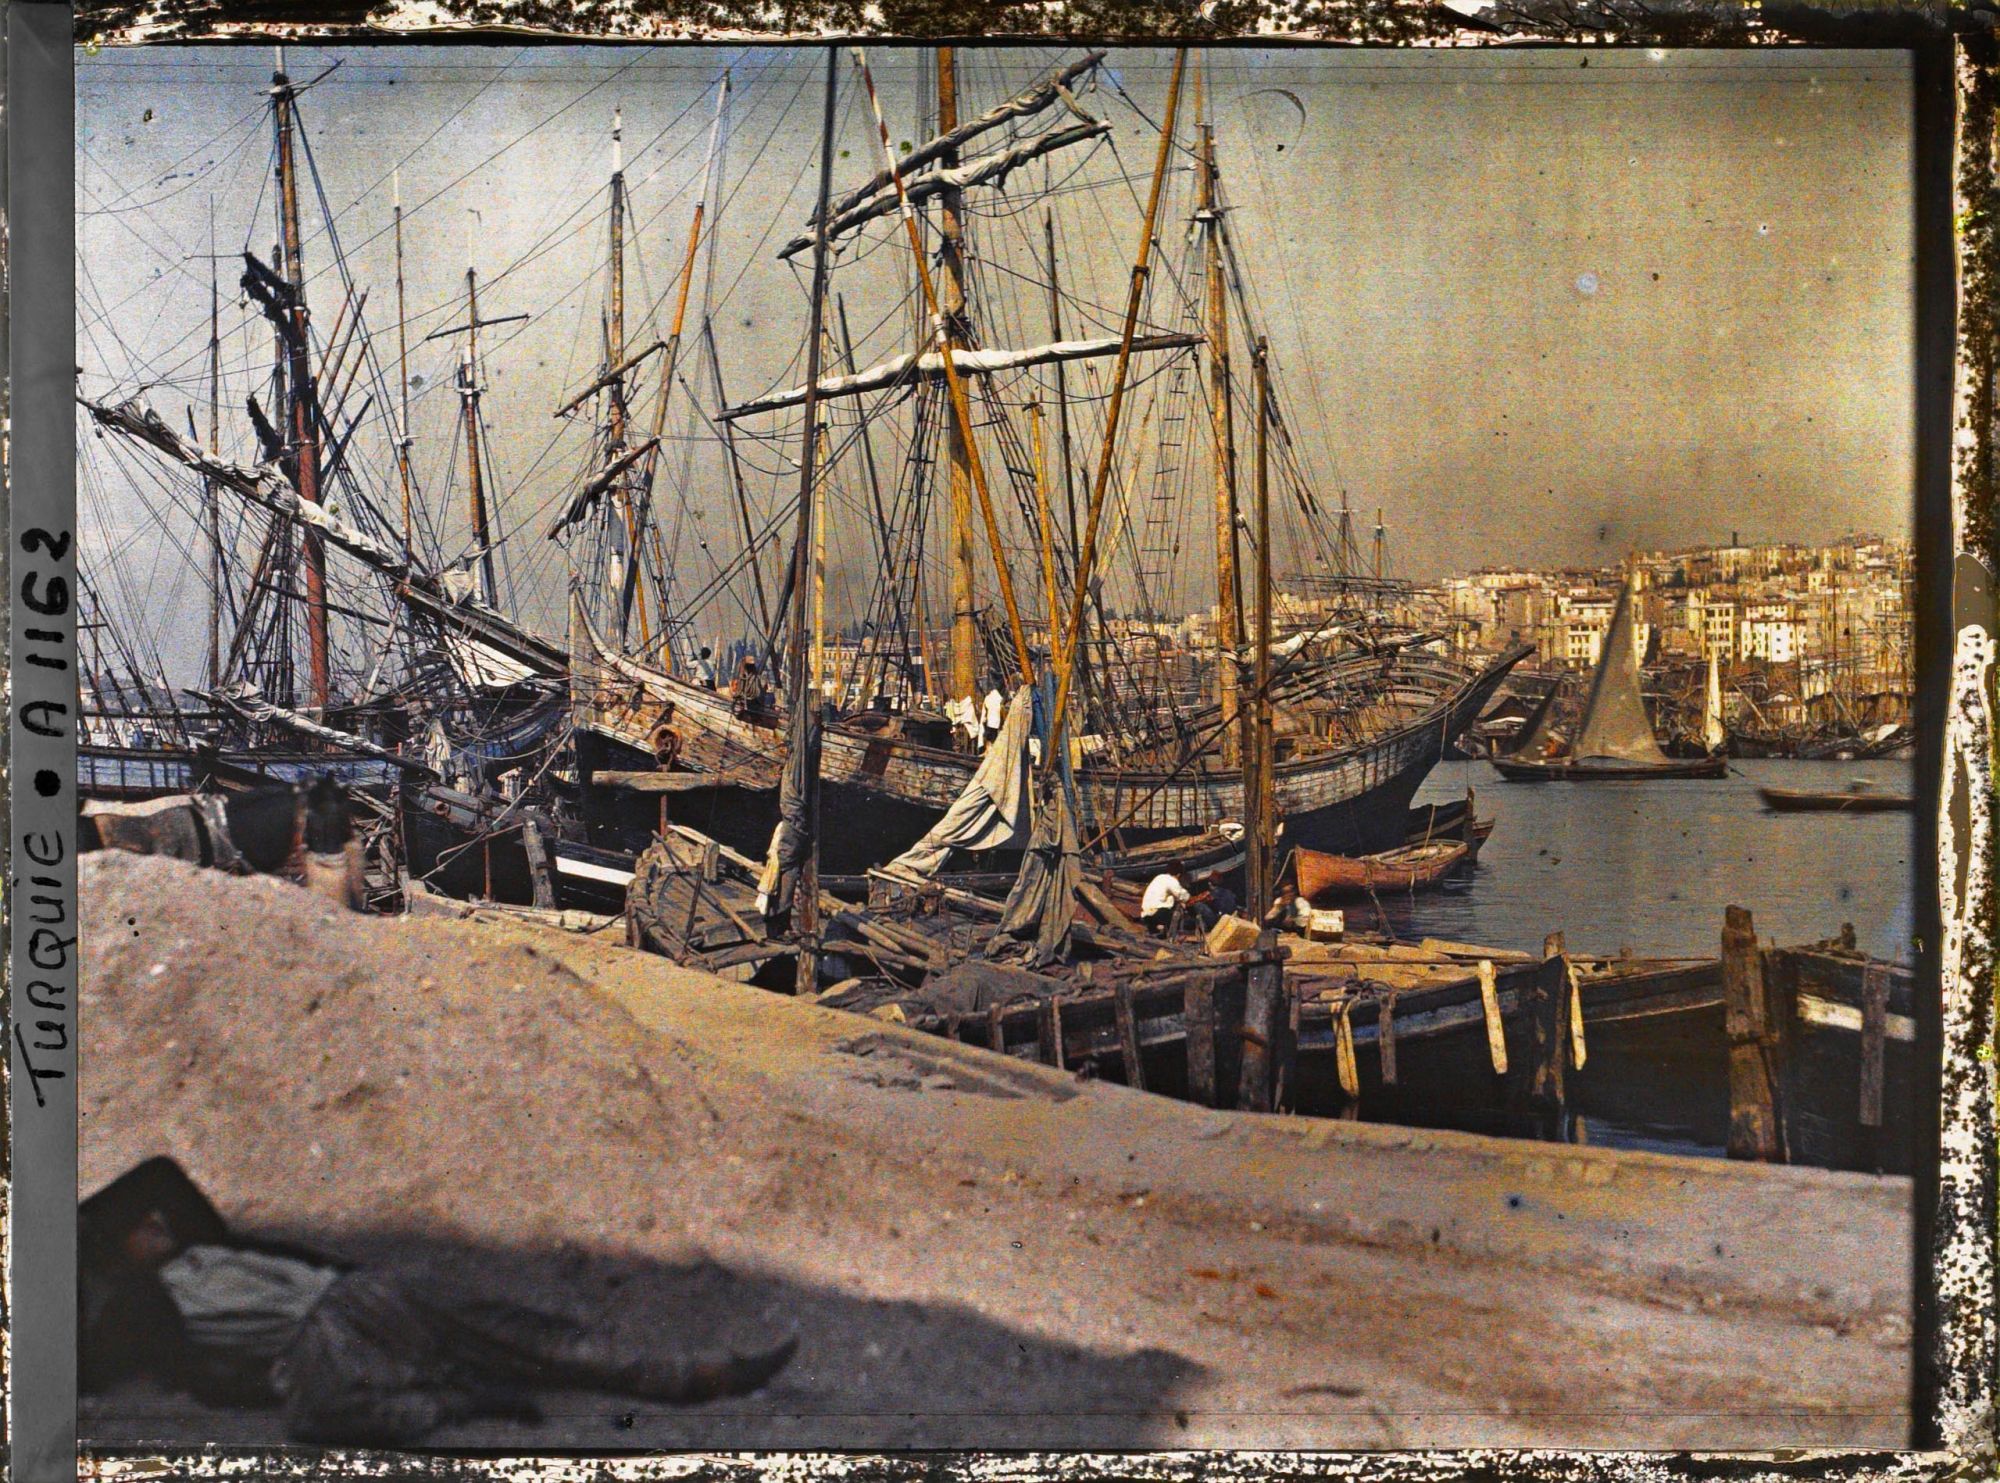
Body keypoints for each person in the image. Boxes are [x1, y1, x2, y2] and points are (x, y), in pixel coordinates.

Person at [80, 1158, 795, 1447]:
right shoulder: (145, 1302)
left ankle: (692, 1374)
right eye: (142, 1230)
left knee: (523, 1331)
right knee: (482, 1358)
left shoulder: (200, 1249)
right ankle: (469, 1396)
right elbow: (120, 1361)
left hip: (356, 1296)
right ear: (118, 1254)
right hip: (321, 1337)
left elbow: (161, 1179)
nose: (159, 1226)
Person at [1138, 871, 1191, 937]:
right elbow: (1182, 895)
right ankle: (1171, 934)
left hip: (1146, 914)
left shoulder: (1159, 877)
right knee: (1181, 920)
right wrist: (1189, 898)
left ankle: (1156, 929)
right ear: (1178, 874)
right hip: (1159, 913)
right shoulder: (1171, 881)